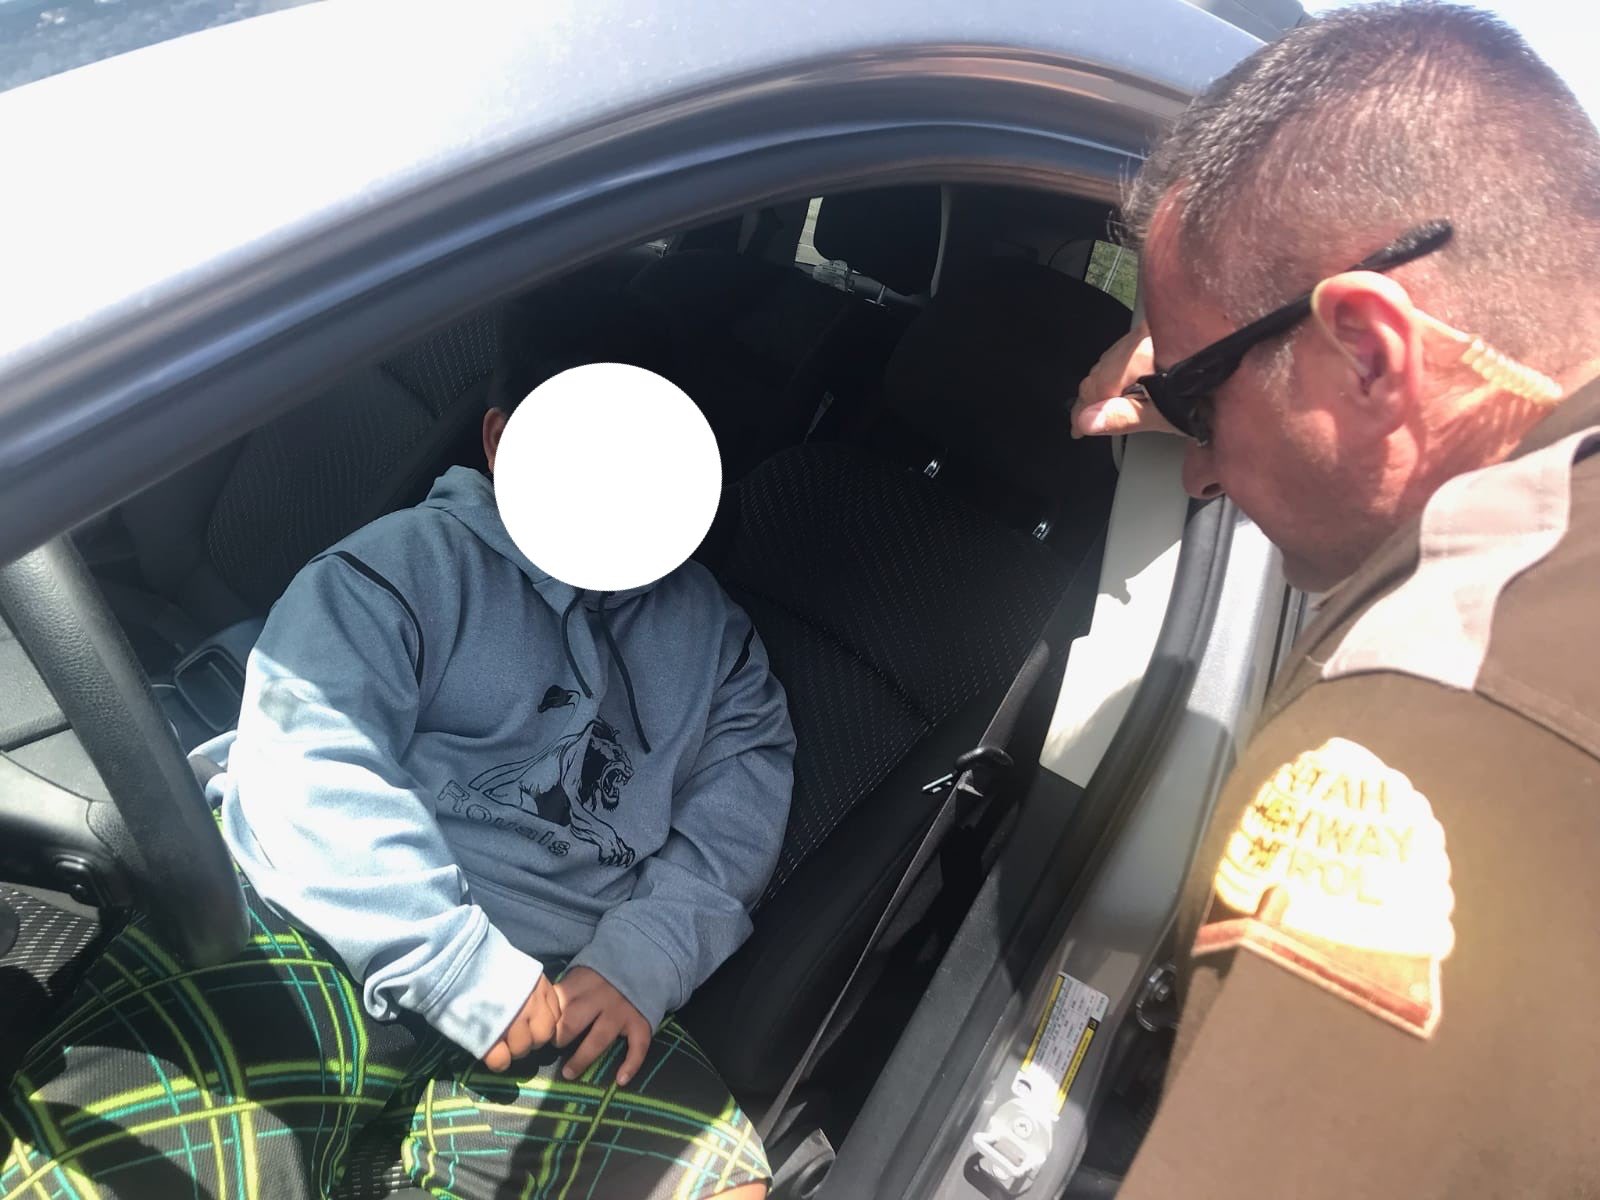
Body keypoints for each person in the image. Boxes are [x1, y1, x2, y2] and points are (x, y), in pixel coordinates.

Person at [0, 308, 795, 1200]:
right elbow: (311, 764)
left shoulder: (716, 643)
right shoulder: (407, 567)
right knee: (123, 1170)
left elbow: (741, 802)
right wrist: (456, 965)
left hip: (567, 975)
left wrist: (641, 954)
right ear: (502, 443)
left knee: (721, 1181)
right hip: (318, 918)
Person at [1068, 4, 1600, 1195]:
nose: (1195, 475)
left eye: (1193, 406)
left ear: (1366, 349)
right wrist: (1215, 374)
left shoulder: (1428, 733)